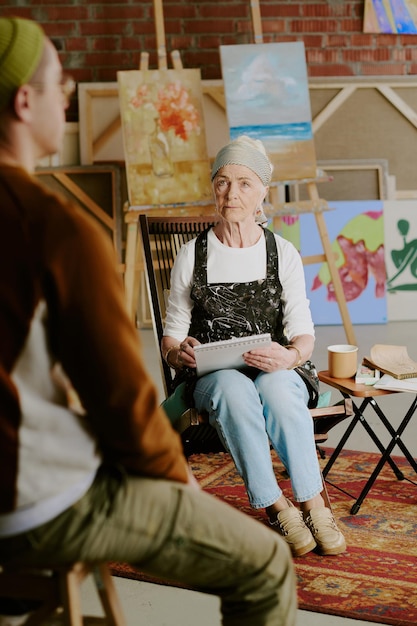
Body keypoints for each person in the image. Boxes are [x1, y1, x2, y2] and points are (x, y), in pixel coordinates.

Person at [0, 17, 297, 626]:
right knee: (267, 566)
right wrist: (174, 481)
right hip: (29, 502)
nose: (72, 93)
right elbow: (120, 397)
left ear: (261, 195)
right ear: (24, 101)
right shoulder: (53, 232)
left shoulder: (280, 251)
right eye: (61, 82)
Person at [162, 135, 347, 558]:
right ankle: (275, 505)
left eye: (245, 183)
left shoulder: (282, 252)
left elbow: (302, 332)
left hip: (276, 367)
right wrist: (178, 352)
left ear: (264, 190)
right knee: (234, 389)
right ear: (213, 186)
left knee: (279, 391)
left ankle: (312, 502)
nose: (232, 193)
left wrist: (291, 356)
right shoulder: (193, 255)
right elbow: (171, 335)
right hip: (213, 377)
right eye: (223, 181)